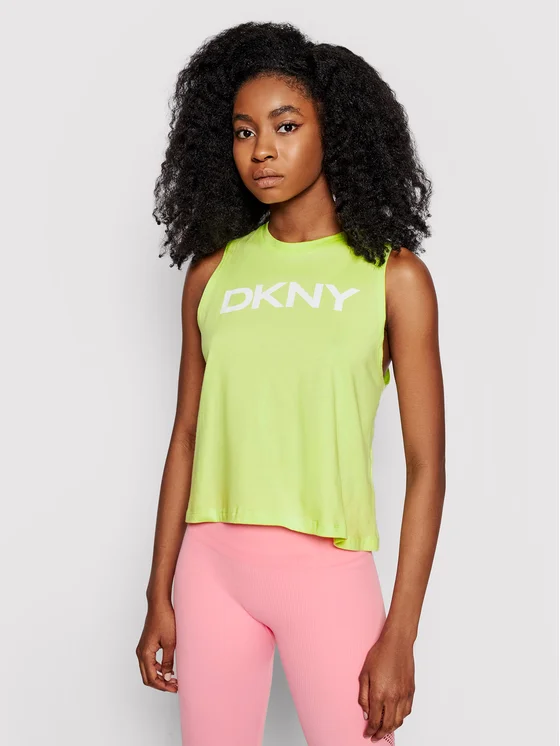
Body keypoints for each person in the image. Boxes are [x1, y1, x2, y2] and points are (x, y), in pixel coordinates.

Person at [136, 20, 445, 746]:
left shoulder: (394, 277)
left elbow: (426, 466)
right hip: (211, 570)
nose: (262, 150)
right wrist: (158, 591)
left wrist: (401, 633)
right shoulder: (214, 272)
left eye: (285, 125)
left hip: (327, 574)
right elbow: (186, 436)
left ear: (332, 130)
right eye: (244, 131)